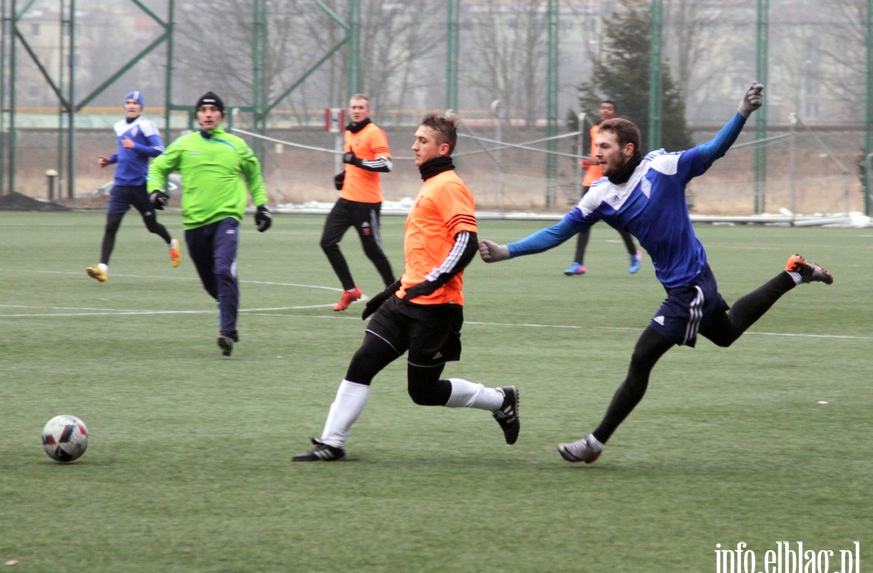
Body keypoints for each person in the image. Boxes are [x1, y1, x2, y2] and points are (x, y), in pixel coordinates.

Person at [479, 82, 834, 465]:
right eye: (596, 146)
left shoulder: (663, 167)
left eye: (604, 147)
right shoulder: (599, 194)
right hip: (687, 281)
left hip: (690, 285)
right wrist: (506, 251)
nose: (596, 153)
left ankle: (594, 443)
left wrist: (742, 113)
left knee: (642, 357)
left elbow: (714, 150)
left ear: (628, 150)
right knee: (727, 332)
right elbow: (557, 232)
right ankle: (795, 273)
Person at [293, 113, 520, 461]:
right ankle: (331, 443)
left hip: (437, 309)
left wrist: (432, 282)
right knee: (362, 363)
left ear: (442, 148)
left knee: (423, 392)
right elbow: (426, 256)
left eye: (422, 141)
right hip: (404, 302)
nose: (413, 146)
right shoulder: (431, 184)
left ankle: (501, 400)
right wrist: (391, 291)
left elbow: (466, 242)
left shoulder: (449, 185)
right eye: (415, 139)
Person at [147, 91, 273, 356]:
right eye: (203, 110)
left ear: (221, 115)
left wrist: (261, 205)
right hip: (194, 223)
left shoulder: (236, 145)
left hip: (226, 219)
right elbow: (158, 167)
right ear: (197, 115)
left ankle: (227, 331)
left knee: (223, 269)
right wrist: (155, 190)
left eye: (213, 110)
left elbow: (254, 175)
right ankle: (229, 310)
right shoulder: (184, 144)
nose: (208, 114)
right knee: (210, 282)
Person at [87, 91, 179, 282]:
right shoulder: (119, 126)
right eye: (128, 102)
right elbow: (124, 152)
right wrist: (110, 160)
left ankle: (171, 243)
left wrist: (135, 146)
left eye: (135, 103)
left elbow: (160, 151)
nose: (131, 106)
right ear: (124, 105)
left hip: (140, 186)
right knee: (111, 225)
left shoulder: (146, 125)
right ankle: (102, 268)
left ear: (141, 107)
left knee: (151, 225)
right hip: (120, 185)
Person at [321, 94, 396, 312]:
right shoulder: (349, 133)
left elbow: (386, 164)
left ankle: (394, 293)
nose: (356, 110)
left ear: (367, 110)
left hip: (367, 204)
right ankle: (350, 290)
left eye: (361, 107)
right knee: (327, 242)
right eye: (353, 107)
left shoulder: (374, 133)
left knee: (373, 251)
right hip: (346, 201)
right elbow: (353, 163)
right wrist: (344, 175)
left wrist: (357, 162)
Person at [565, 99, 641, 276]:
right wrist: (589, 162)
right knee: (582, 222)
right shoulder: (595, 130)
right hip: (591, 181)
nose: (605, 111)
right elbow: (596, 154)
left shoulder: (620, 134)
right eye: (603, 108)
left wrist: (598, 160)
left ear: (614, 113)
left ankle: (633, 254)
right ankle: (578, 263)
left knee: (620, 221)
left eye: (609, 109)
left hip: (610, 181)